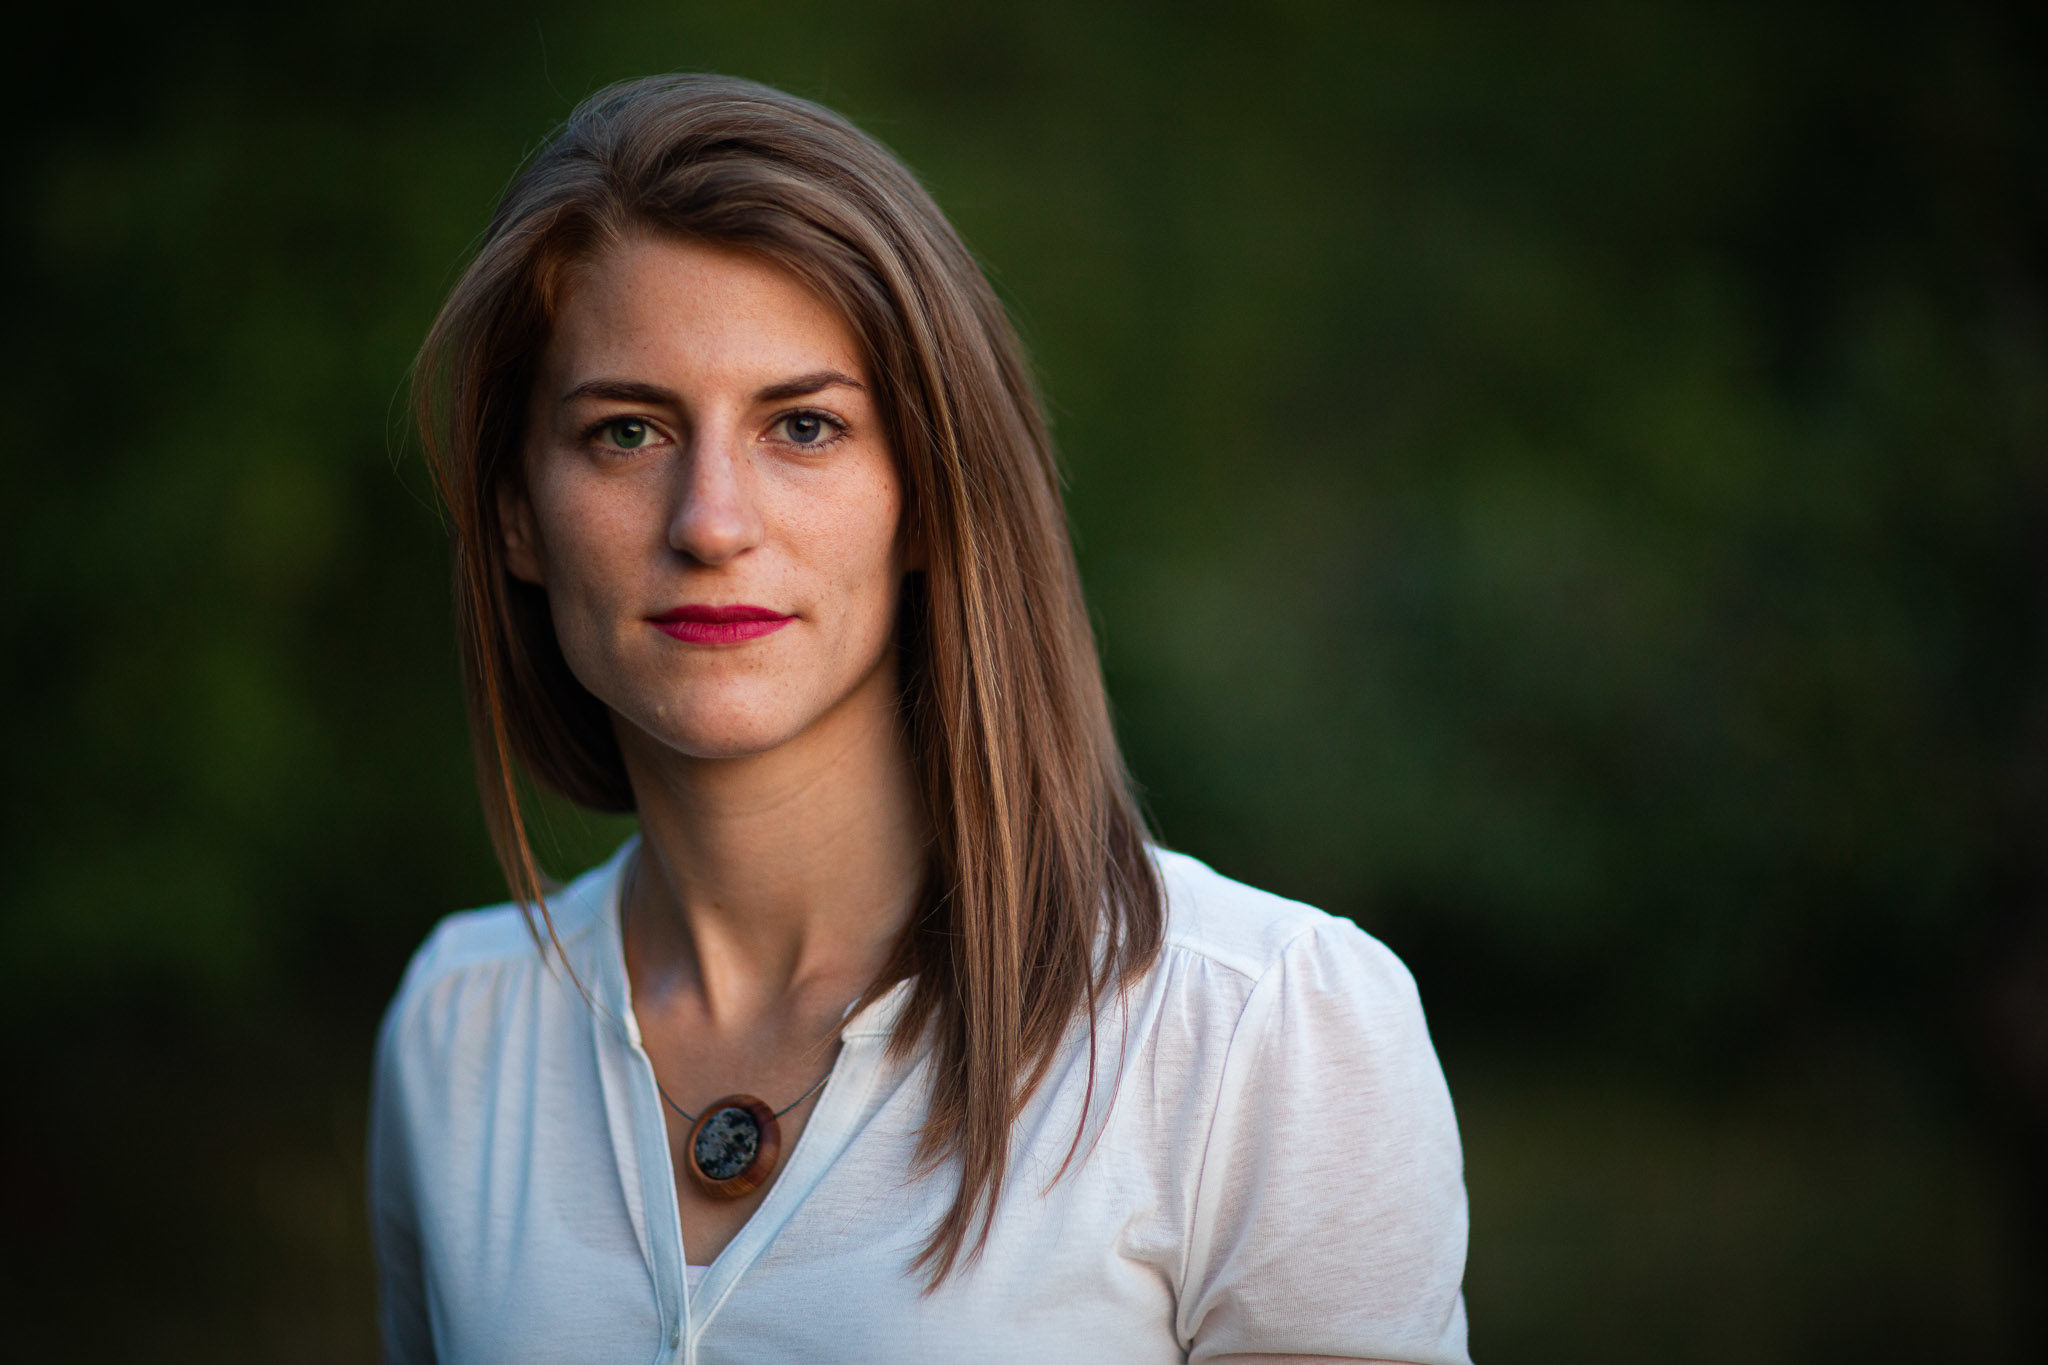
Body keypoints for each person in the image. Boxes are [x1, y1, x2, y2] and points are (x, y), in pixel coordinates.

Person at [370, 73, 1471, 1365]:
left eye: (803, 425)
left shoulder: (1257, 1033)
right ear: (515, 517)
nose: (711, 521)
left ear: (930, 497)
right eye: (627, 430)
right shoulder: (459, 1030)